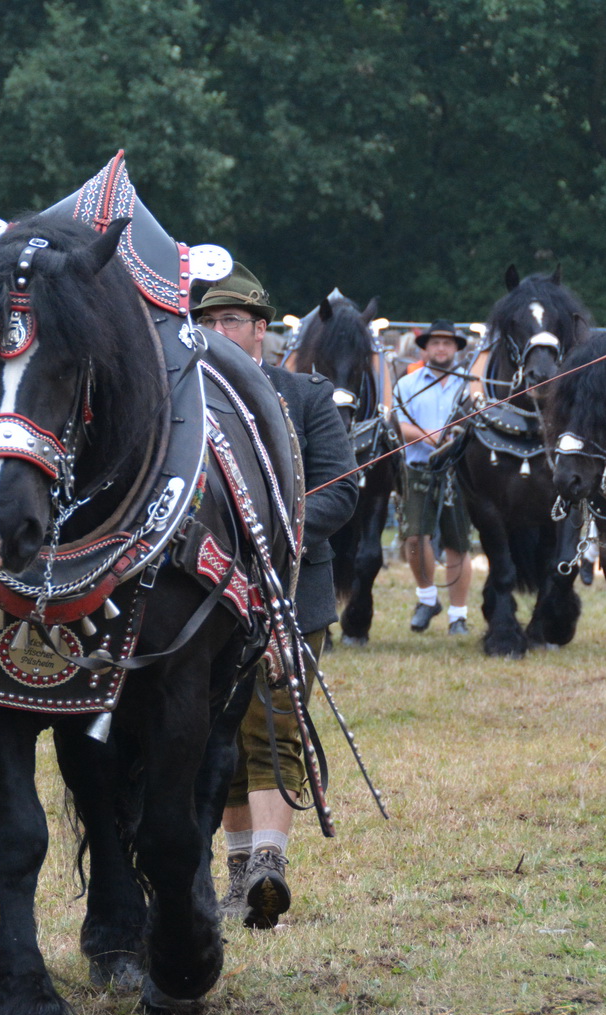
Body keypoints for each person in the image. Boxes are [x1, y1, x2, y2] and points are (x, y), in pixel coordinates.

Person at [193, 265, 359, 929]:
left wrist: (271, 530)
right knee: (214, 733)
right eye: (206, 321)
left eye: (231, 320)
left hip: (291, 588)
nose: (217, 332)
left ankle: (269, 864)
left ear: (262, 329)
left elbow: (341, 490)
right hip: (206, 590)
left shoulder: (304, 397)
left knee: (275, 725)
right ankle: (238, 876)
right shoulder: (185, 398)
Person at [393, 320, 473, 634]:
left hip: (457, 472)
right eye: (436, 343)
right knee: (415, 537)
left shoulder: (469, 385)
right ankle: (427, 599)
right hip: (418, 469)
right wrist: (429, 436)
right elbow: (397, 422)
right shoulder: (408, 384)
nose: (441, 348)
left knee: (458, 544)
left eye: (448, 343)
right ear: (425, 348)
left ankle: (458, 616)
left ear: (456, 349)